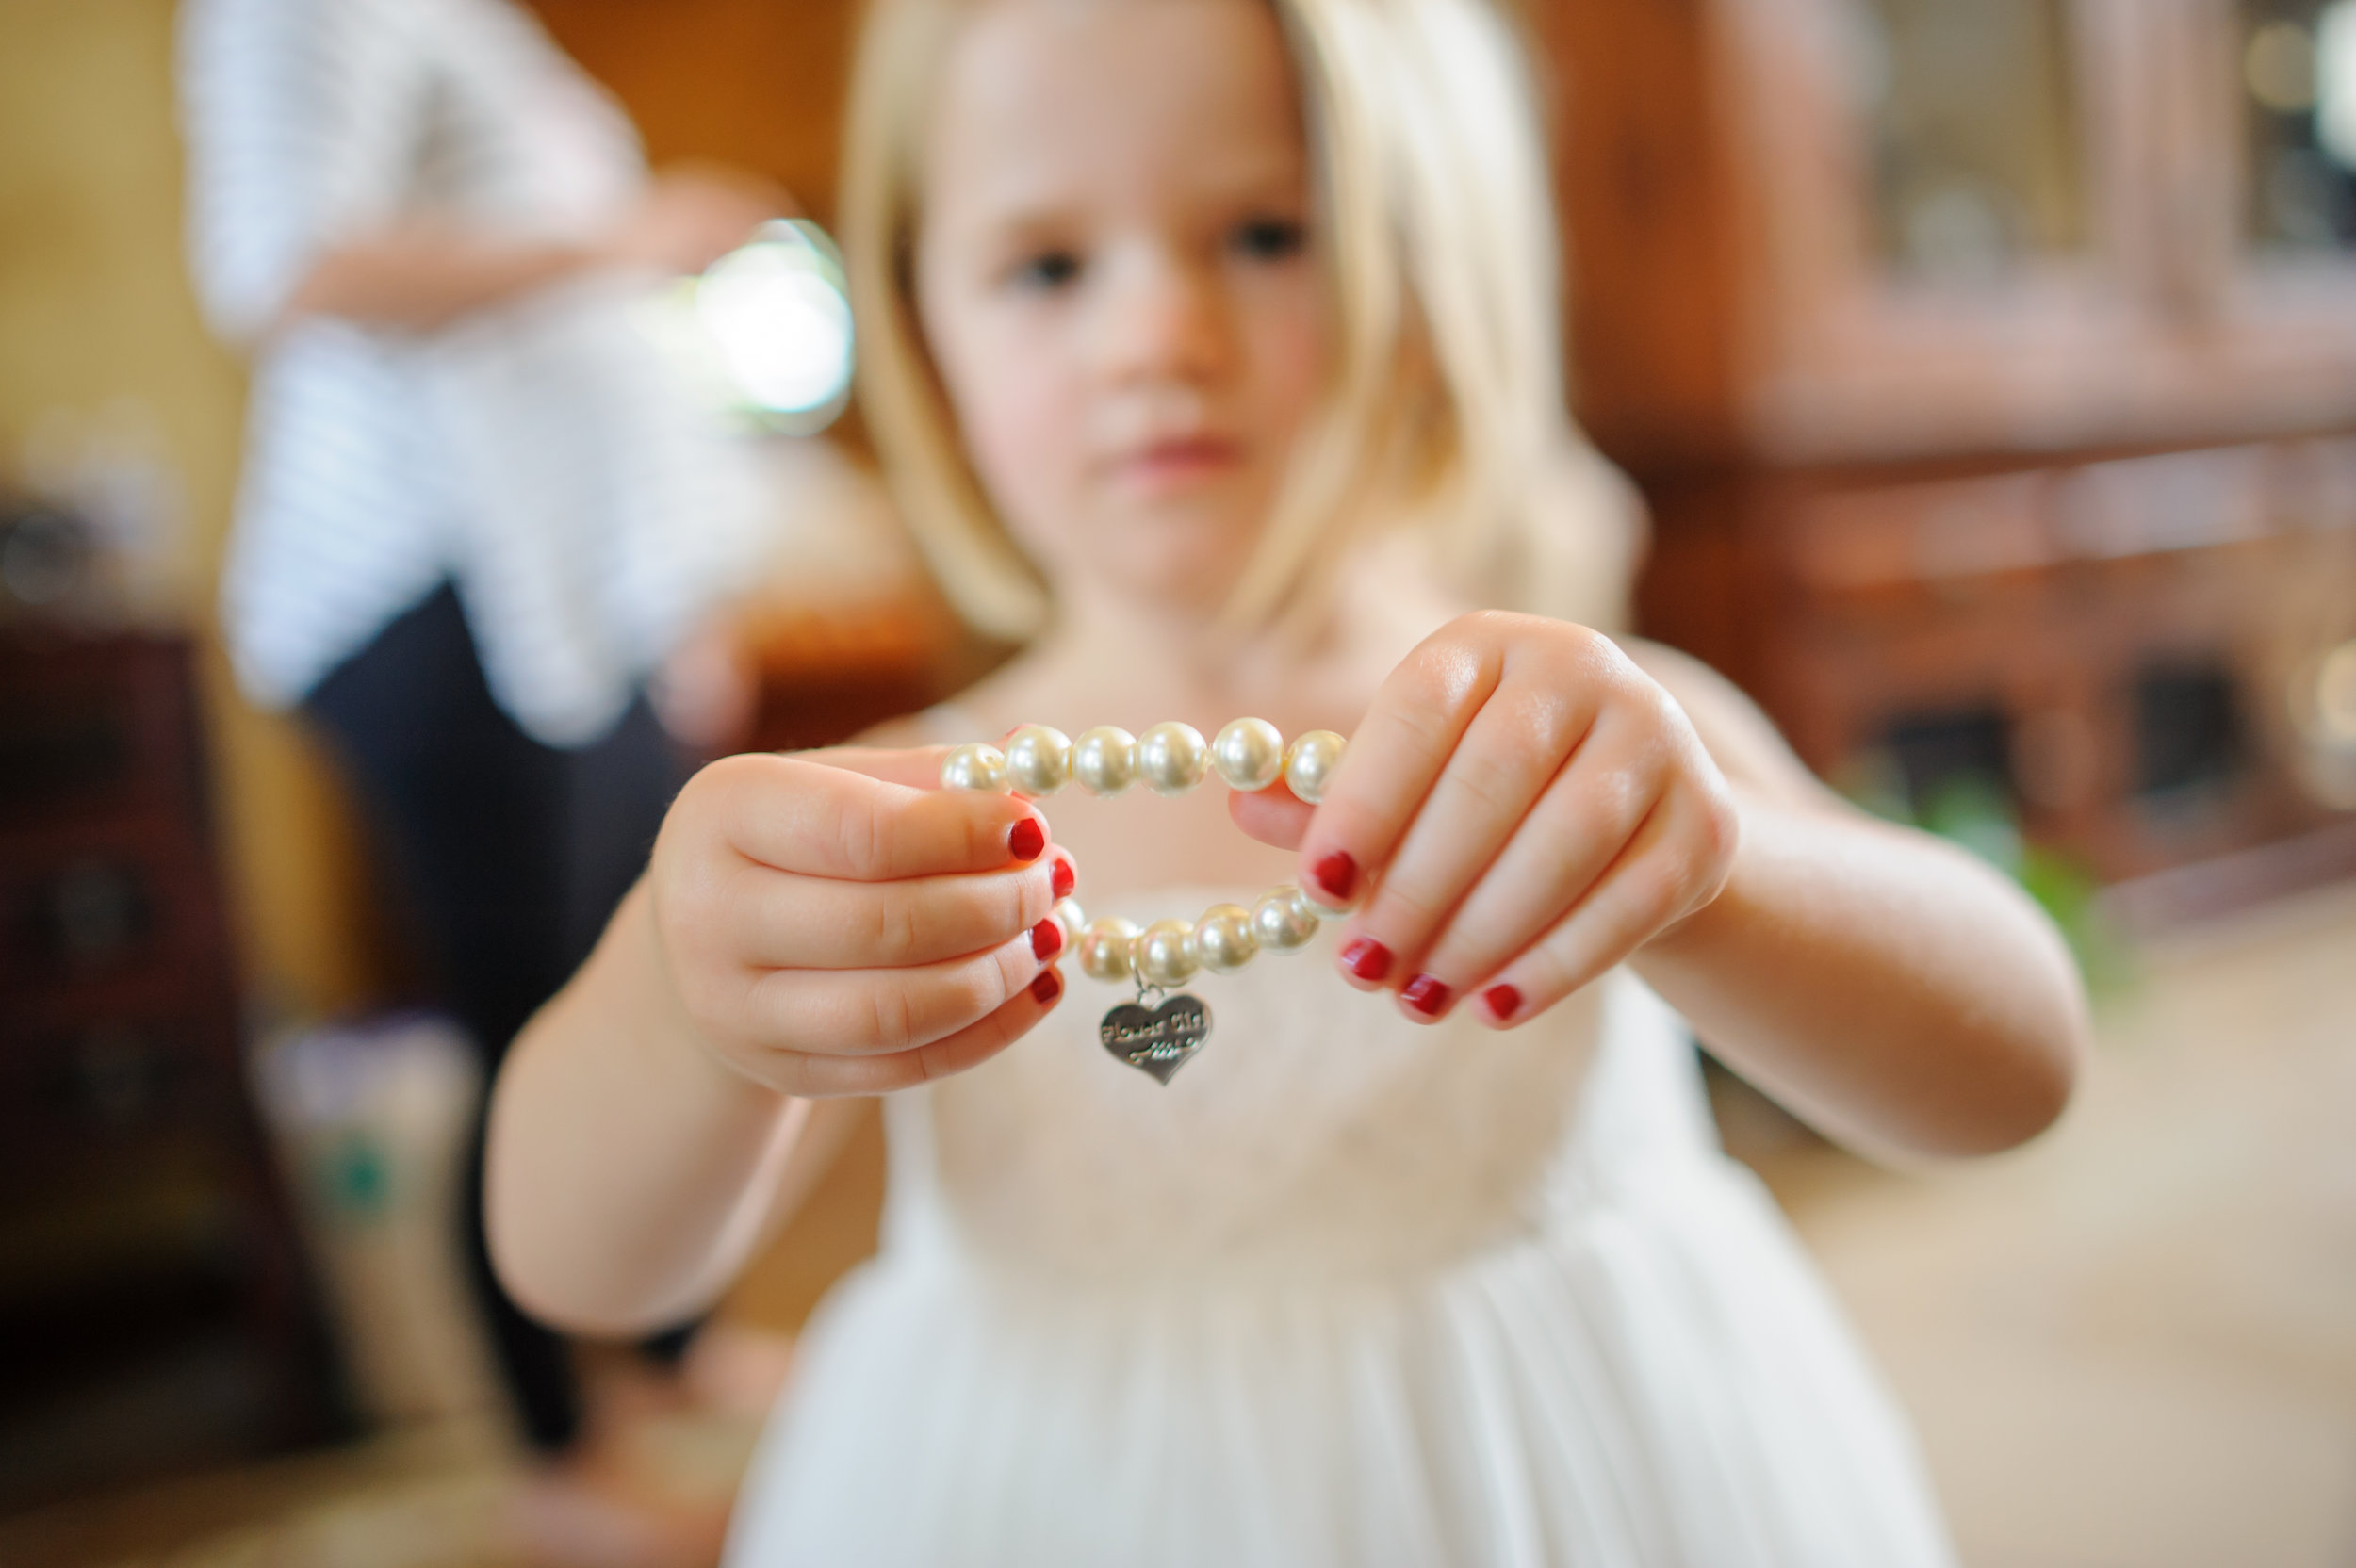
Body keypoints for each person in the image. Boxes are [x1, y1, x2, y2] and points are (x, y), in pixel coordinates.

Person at [483, 0, 2091, 1560]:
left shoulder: (1588, 746)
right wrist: (680, 1003)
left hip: (1554, 1474)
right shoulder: (880, 822)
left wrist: (1723, 873)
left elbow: (2016, 1067)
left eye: (1261, 235)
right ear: (927, 326)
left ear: (1431, 255)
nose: (1155, 337)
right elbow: (580, 1267)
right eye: (1046, 265)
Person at [178, 0, 782, 1554]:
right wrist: (627, 237)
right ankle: (548, 1443)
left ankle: (660, 1351)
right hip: (432, 593)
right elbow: (277, 265)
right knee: (523, 1020)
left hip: (576, 599)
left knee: (647, 967)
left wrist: (670, 607)